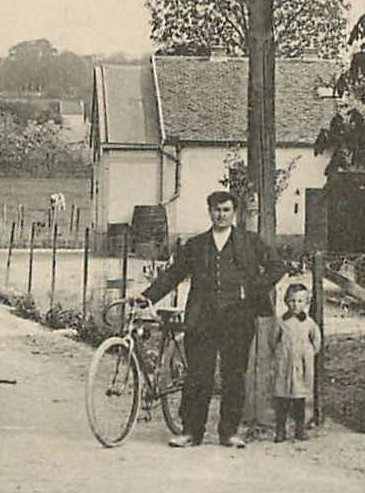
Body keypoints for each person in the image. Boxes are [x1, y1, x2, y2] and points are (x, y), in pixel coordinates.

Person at [136, 190, 286, 449]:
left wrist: (252, 289)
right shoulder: (195, 245)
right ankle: (192, 432)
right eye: (217, 210)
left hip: (238, 320)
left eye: (226, 210)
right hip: (202, 320)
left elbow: (277, 266)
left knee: (233, 376)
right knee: (198, 376)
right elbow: (173, 275)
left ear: (234, 212)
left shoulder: (250, 242)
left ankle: (228, 433)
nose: (221, 215)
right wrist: (147, 297)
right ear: (209, 212)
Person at [256, 282, 320, 443]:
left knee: (299, 398)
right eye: (292, 301)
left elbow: (316, 341)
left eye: (300, 301)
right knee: (281, 397)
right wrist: (280, 353)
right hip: (284, 362)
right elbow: (273, 340)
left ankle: (300, 429)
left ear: (306, 303)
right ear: (285, 301)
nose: (295, 305)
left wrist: (308, 352)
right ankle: (280, 430)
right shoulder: (280, 322)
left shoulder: (309, 323)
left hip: (301, 363)